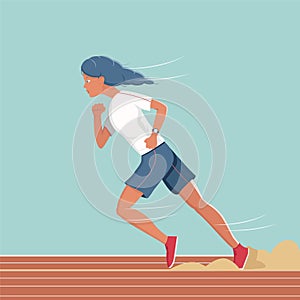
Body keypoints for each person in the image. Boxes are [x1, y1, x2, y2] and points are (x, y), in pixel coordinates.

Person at [81, 56, 249, 269]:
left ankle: (168, 241)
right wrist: (97, 116)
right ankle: (238, 248)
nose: (84, 86)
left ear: (101, 79)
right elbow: (102, 141)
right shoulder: (113, 110)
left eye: (87, 80)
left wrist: (154, 133)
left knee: (123, 209)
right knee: (198, 203)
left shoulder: (125, 98)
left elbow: (161, 108)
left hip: (155, 156)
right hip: (163, 154)